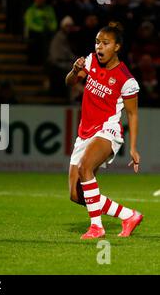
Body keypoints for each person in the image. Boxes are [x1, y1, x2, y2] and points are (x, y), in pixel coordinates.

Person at [65, 22, 143, 240]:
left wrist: (134, 148)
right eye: (97, 42)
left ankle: (97, 227)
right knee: (76, 195)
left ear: (117, 47)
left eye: (105, 43)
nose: (99, 47)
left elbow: (133, 114)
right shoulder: (90, 61)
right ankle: (129, 215)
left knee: (85, 167)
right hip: (85, 132)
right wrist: (74, 69)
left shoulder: (126, 80)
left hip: (108, 131)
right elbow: (70, 82)